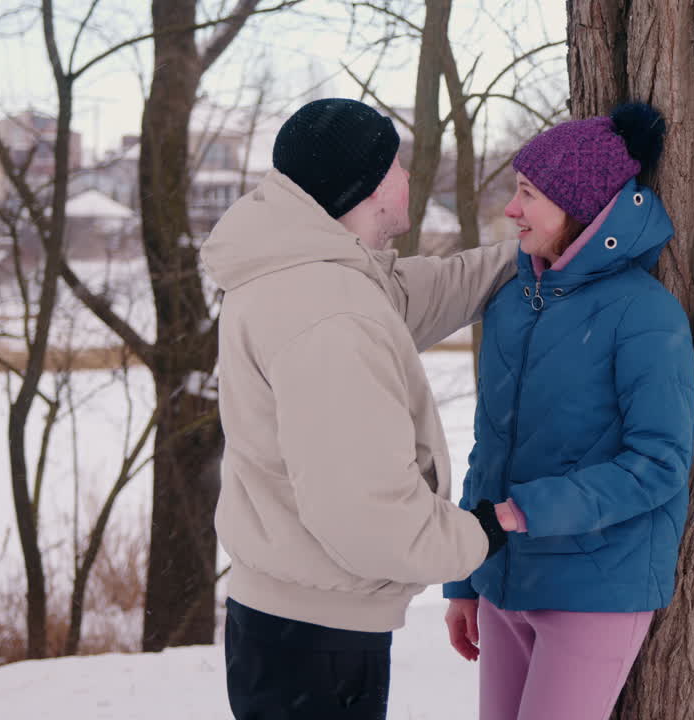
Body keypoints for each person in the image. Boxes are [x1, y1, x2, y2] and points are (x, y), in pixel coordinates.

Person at [202, 97, 520, 719]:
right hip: (318, 640)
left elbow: (413, 295)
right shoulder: (332, 317)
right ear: (372, 187)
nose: (407, 177)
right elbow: (366, 511)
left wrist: (528, 253)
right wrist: (476, 534)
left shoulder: (307, 273)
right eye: (396, 165)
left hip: (287, 617)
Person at [442, 102, 694, 720]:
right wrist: (462, 575)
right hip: (502, 577)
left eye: (528, 192)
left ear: (580, 206)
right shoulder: (511, 303)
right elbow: (489, 446)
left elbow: (659, 463)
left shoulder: (644, 312)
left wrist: (524, 511)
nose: (511, 209)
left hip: (596, 586)